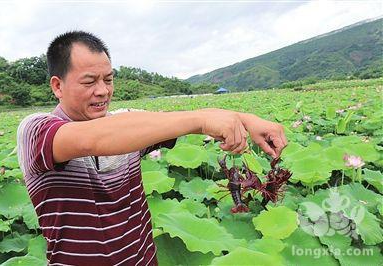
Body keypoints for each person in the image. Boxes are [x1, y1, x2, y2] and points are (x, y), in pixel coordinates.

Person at [17, 31, 287, 266]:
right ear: (57, 86)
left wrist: (247, 120)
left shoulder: (130, 124)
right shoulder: (35, 131)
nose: (102, 91)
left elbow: (173, 120)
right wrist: (202, 120)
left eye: (108, 80)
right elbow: (92, 139)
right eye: (89, 82)